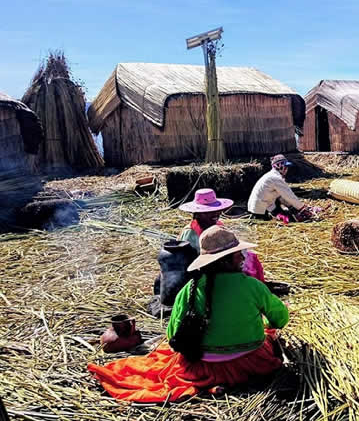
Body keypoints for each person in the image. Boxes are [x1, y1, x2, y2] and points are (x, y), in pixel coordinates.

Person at [88, 226, 289, 402]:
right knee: (268, 334)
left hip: (202, 366)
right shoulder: (253, 286)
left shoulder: (190, 289)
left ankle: (211, 385)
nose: (243, 258)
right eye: (238, 254)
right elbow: (280, 319)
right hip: (251, 362)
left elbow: (172, 334)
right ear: (226, 260)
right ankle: (219, 384)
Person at [178, 188, 264, 282]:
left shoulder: (218, 226)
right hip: (204, 274)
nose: (216, 214)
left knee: (250, 258)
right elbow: (186, 264)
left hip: (224, 268)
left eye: (217, 210)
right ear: (198, 214)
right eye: (208, 212)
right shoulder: (190, 233)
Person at [248, 154, 310, 223]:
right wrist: (301, 208)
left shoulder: (272, 176)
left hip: (263, 205)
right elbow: (288, 195)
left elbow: (281, 197)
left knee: (284, 214)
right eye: (285, 167)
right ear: (279, 166)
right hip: (259, 208)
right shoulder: (275, 178)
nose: (287, 169)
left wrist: (292, 207)